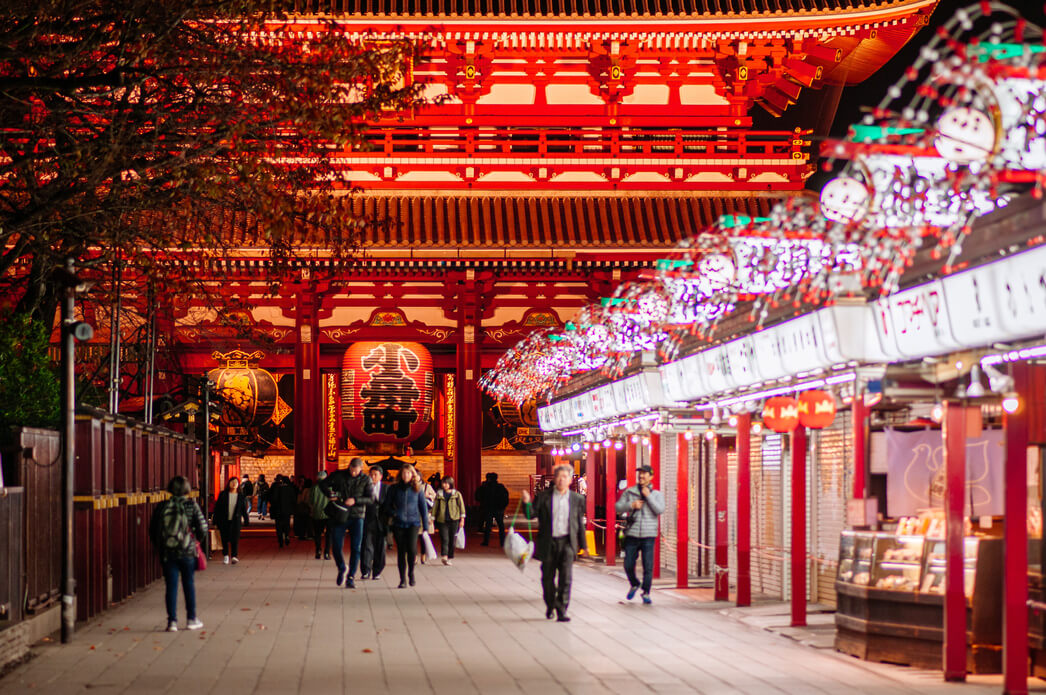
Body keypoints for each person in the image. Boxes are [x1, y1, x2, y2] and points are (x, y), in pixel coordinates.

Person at [521, 464, 587, 622]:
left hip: (567, 543)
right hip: (548, 542)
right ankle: (550, 604)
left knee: (566, 578)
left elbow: (579, 523)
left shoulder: (577, 499)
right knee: (547, 578)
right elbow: (531, 515)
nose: (561, 480)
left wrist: (584, 545)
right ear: (555, 479)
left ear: (570, 480)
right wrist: (526, 503)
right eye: (559, 476)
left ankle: (562, 609)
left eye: (565, 477)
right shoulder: (543, 497)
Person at [149, 476, 208, 632]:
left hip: (168, 552)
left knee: (171, 586)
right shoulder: (191, 505)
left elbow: (153, 529)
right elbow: (203, 527)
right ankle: (191, 619)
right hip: (187, 551)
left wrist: (160, 546)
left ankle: (172, 622)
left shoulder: (163, 506)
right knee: (188, 584)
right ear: (187, 489)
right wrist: (195, 541)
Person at [614, 463, 665, 605]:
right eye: (640, 473)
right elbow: (618, 507)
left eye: (644, 473)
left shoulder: (657, 495)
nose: (641, 476)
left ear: (651, 476)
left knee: (648, 566)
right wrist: (631, 505)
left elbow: (659, 510)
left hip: (649, 535)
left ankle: (646, 592)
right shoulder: (630, 492)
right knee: (628, 564)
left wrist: (649, 497)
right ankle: (635, 583)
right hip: (632, 533)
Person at [321, 458, 373, 588]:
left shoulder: (366, 480)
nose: (353, 473)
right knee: (336, 546)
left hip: (357, 516)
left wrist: (355, 500)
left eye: (356, 471)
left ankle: (351, 577)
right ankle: (342, 567)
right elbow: (323, 484)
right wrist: (329, 494)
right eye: (351, 470)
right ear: (349, 467)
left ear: (361, 469)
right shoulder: (339, 475)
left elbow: (371, 498)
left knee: (356, 547)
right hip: (340, 514)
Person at [382, 463, 433, 588]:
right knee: (401, 551)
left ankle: (411, 573)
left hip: (413, 523)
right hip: (398, 523)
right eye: (404, 473)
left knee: (412, 549)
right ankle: (402, 579)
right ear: (400, 474)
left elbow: (423, 508)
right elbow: (386, 506)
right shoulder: (393, 488)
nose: (406, 475)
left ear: (412, 475)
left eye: (409, 473)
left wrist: (425, 527)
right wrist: (394, 513)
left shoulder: (418, 489)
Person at [212, 477, 249, 565]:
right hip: (224, 520)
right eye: (232, 482)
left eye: (236, 482)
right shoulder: (223, 494)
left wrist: (246, 519)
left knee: (235, 539)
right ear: (228, 484)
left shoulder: (241, 496)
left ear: (238, 485)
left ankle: (234, 556)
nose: (234, 484)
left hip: (235, 521)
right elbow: (217, 509)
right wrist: (215, 521)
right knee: (224, 538)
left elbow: (243, 509)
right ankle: (225, 555)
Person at [361, 465, 389, 580]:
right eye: (371, 474)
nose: (373, 477)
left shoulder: (386, 488)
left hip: (382, 521)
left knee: (380, 547)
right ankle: (365, 570)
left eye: (375, 475)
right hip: (368, 519)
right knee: (366, 545)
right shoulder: (365, 487)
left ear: (381, 476)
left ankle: (377, 571)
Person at [433, 476, 466, 565]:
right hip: (442, 520)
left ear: (451, 484)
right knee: (444, 538)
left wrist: (462, 519)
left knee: (452, 539)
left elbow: (461, 506)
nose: (444, 485)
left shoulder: (457, 494)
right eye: (443, 483)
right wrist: (432, 517)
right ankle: (444, 556)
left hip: (454, 519)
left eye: (446, 483)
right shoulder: (439, 494)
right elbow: (435, 506)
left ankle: (450, 557)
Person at [475, 472, 509, 547]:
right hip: (499, 509)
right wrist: (503, 507)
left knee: (488, 525)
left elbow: (477, 496)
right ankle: (502, 542)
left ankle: (486, 541)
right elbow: (505, 497)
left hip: (488, 508)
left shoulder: (484, 487)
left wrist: (483, 503)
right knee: (501, 526)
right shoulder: (500, 487)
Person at [307, 471, 331, 560]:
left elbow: (310, 501)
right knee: (329, 534)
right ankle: (327, 552)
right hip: (329, 514)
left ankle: (318, 550)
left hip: (317, 513)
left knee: (317, 534)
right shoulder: (330, 487)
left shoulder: (314, 487)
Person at [269, 475, 297, 548]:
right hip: (287, 510)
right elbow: (294, 499)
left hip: (278, 510)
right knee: (286, 524)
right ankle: (287, 535)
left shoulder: (277, 488)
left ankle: (280, 539)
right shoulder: (290, 489)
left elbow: (273, 499)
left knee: (278, 525)